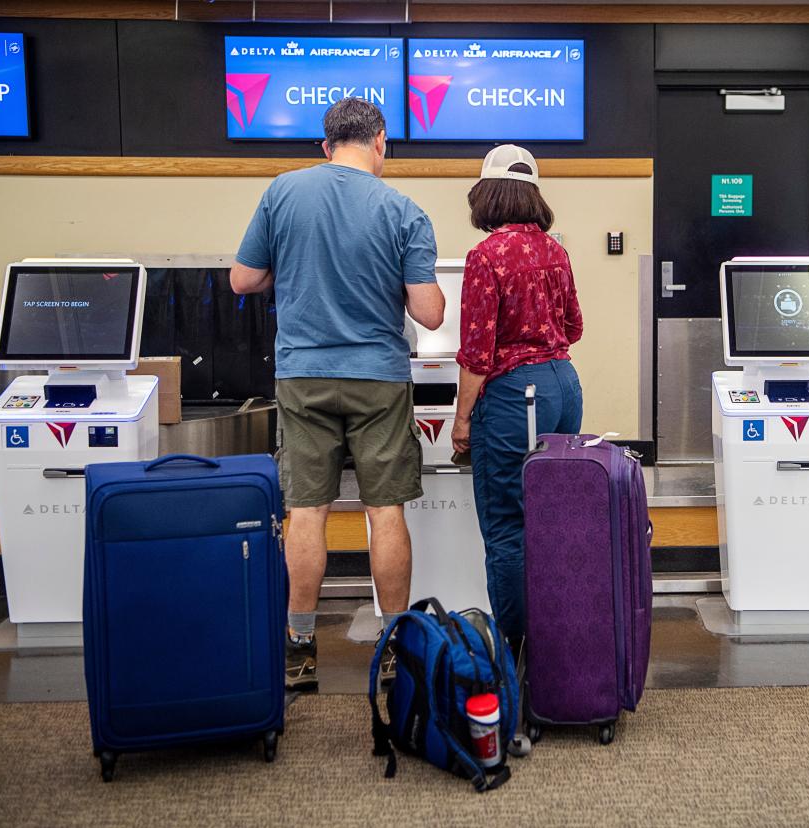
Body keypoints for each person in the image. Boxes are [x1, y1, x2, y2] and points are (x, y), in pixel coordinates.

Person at [231, 98, 445, 691]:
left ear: (325, 147)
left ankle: (300, 646)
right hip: (378, 377)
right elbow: (429, 314)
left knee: (306, 511)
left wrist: (292, 270)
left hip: (302, 378)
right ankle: (396, 644)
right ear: (381, 143)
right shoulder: (403, 209)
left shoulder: (282, 192)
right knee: (385, 511)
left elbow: (243, 280)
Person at [450, 145, 584, 643]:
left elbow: (476, 353)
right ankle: (556, 641)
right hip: (564, 385)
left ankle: (516, 652)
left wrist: (462, 421)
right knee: (549, 516)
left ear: (486, 194)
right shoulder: (556, 251)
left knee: (507, 525)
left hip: (514, 396)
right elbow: (574, 326)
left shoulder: (486, 256)